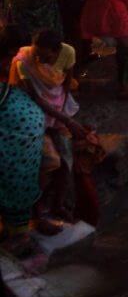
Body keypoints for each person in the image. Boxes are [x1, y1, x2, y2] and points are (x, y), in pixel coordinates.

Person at [9, 30, 85, 225]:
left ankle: (58, 205)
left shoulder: (68, 52)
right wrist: (67, 121)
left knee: (67, 160)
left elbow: (67, 83)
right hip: (34, 116)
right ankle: (37, 212)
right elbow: (34, 98)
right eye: (37, 54)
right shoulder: (23, 62)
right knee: (47, 163)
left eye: (45, 57)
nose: (39, 60)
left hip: (58, 111)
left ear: (57, 51)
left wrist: (63, 113)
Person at [0, 64, 49, 255]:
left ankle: (20, 237)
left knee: (13, 179)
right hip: (20, 119)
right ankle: (14, 230)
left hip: (18, 126)